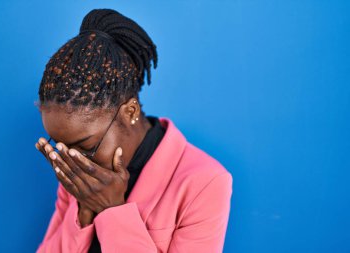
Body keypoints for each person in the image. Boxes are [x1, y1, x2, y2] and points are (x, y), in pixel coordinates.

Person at [34, 8, 233, 253]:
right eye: (62, 148)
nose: (73, 160)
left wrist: (112, 210)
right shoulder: (77, 176)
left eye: (85, 146)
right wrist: (84, 209)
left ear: (129, 112)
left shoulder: (204, 182)